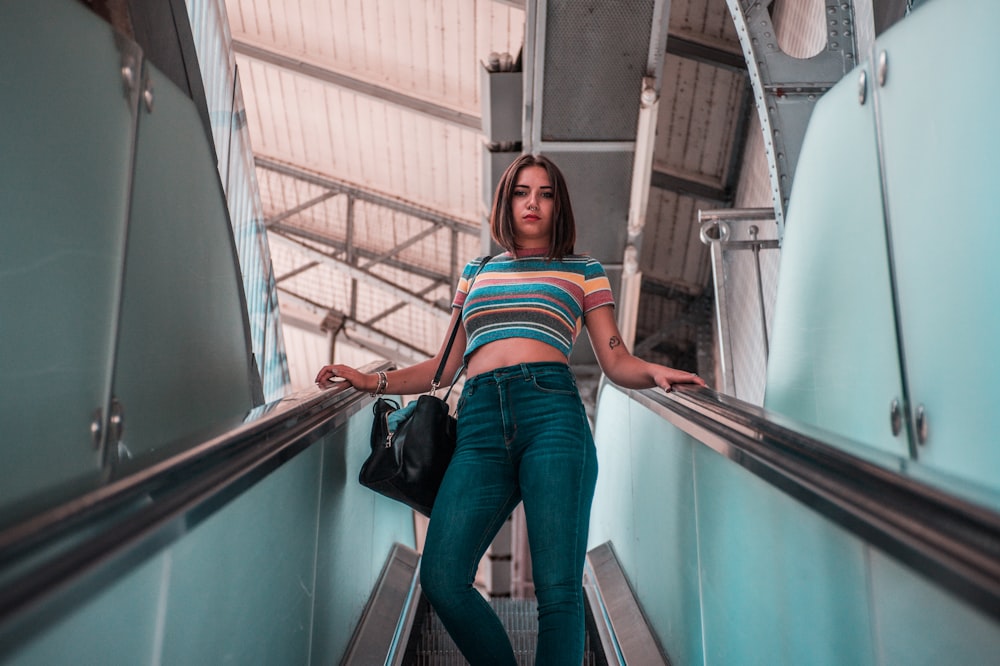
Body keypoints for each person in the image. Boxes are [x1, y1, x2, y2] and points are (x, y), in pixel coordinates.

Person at [315, 154, 705, 664]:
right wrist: (371, 380)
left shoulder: (583, 270)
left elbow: (615, 358)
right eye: (522, 191)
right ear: (507, 201)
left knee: (559, 591)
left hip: (553, 416)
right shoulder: (476, 271)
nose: (533, 203)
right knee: (442, 576)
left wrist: (654, 372)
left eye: (544, 193)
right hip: (478, 427)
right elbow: (443, 365)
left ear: (557, 205)